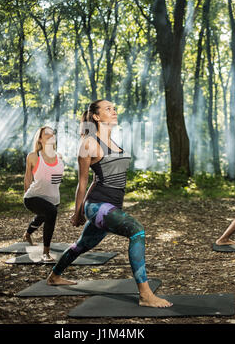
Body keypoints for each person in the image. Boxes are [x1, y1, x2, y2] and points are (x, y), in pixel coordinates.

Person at [46, 100, 173, 308]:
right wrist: (78, 212)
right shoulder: (89, 143)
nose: (114, 111)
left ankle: (54, 276)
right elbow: (83, 183)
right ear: (96, 117)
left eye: (114, 108)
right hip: (97, 206)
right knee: (137, 231)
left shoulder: (112, 140)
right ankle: (145, 295)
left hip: (111, 206)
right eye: (108, 109)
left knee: (82, 245)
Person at [23, 126, 64, 262]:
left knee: (42, 217)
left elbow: (56, 179)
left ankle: (27, 234)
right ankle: (45, 252)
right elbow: (28, 178)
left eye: (53, 132)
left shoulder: (59, 157)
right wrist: (25, 194)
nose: (51, 134)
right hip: (33, 197)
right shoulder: (33, 156)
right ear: (40, 139)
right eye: (47, 133)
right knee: (50, 213)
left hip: (53, 198)